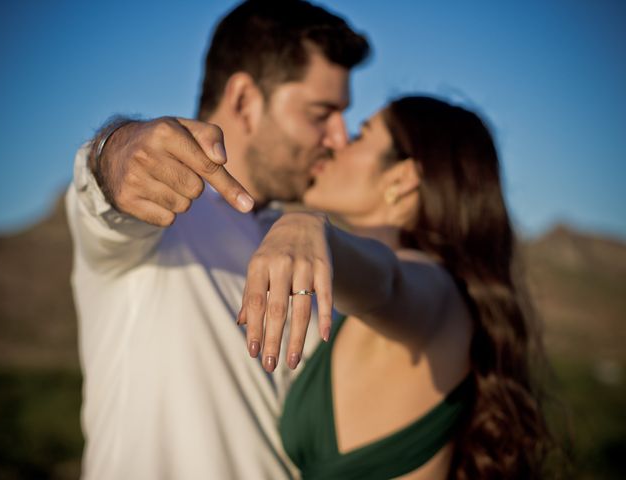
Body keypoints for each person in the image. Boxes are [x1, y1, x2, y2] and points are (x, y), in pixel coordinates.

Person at [66, 1, 369, 478]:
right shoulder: (156, 218)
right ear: (245, 100)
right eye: (321, 113)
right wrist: (119, 148)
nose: (339, 137)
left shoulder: (304, 249)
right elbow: (103, 191)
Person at [239, 96, 552, 479]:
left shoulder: (435, 289)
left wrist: (306, 226)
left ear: (402, 179)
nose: (336, 142)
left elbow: (388, 281)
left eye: (359, 135)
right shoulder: (353, 312)